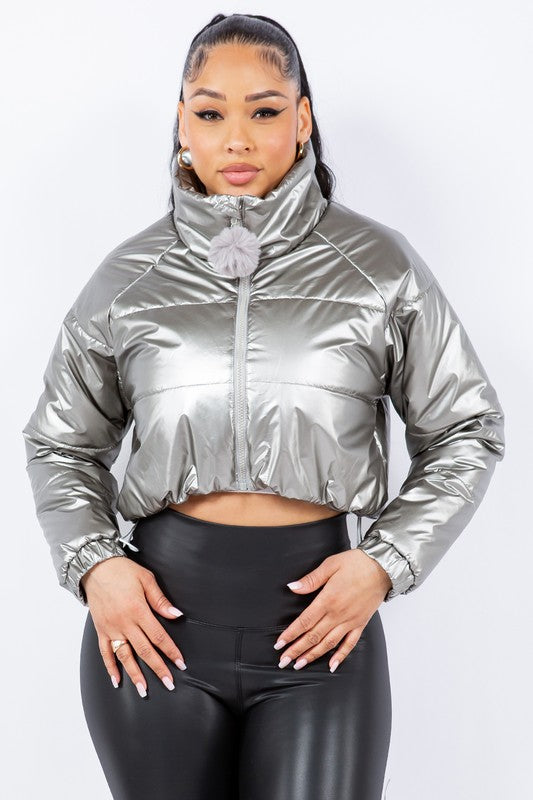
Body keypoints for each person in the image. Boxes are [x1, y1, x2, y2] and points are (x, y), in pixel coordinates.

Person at [21, 12, 505, 800]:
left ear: (302, 119)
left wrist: (383, 562)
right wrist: (96, 564)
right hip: (157, 632)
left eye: (265, 110)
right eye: (210, 113)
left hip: (321, 634)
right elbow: (61, 443)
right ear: (183, 124)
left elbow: (465, 427)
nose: (237, 139)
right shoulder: (130, 276)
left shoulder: (377, 266)